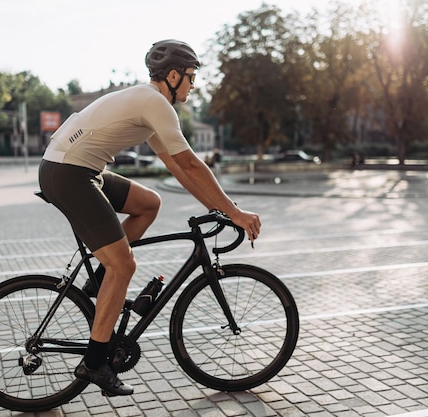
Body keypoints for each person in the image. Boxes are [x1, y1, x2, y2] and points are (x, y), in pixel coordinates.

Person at [38, 39, 261, 397]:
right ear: (172, 75)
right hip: (69, 173)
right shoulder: (155, 103)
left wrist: (218, 208)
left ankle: (99, 282)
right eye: (190, 77)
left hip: (75, 169)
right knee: (124, 266)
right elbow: (190, 163)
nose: (192, 84)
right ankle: (95, 363)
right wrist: (234, 212)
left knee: (149, 203)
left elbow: (178, 167)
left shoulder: (150, 105)